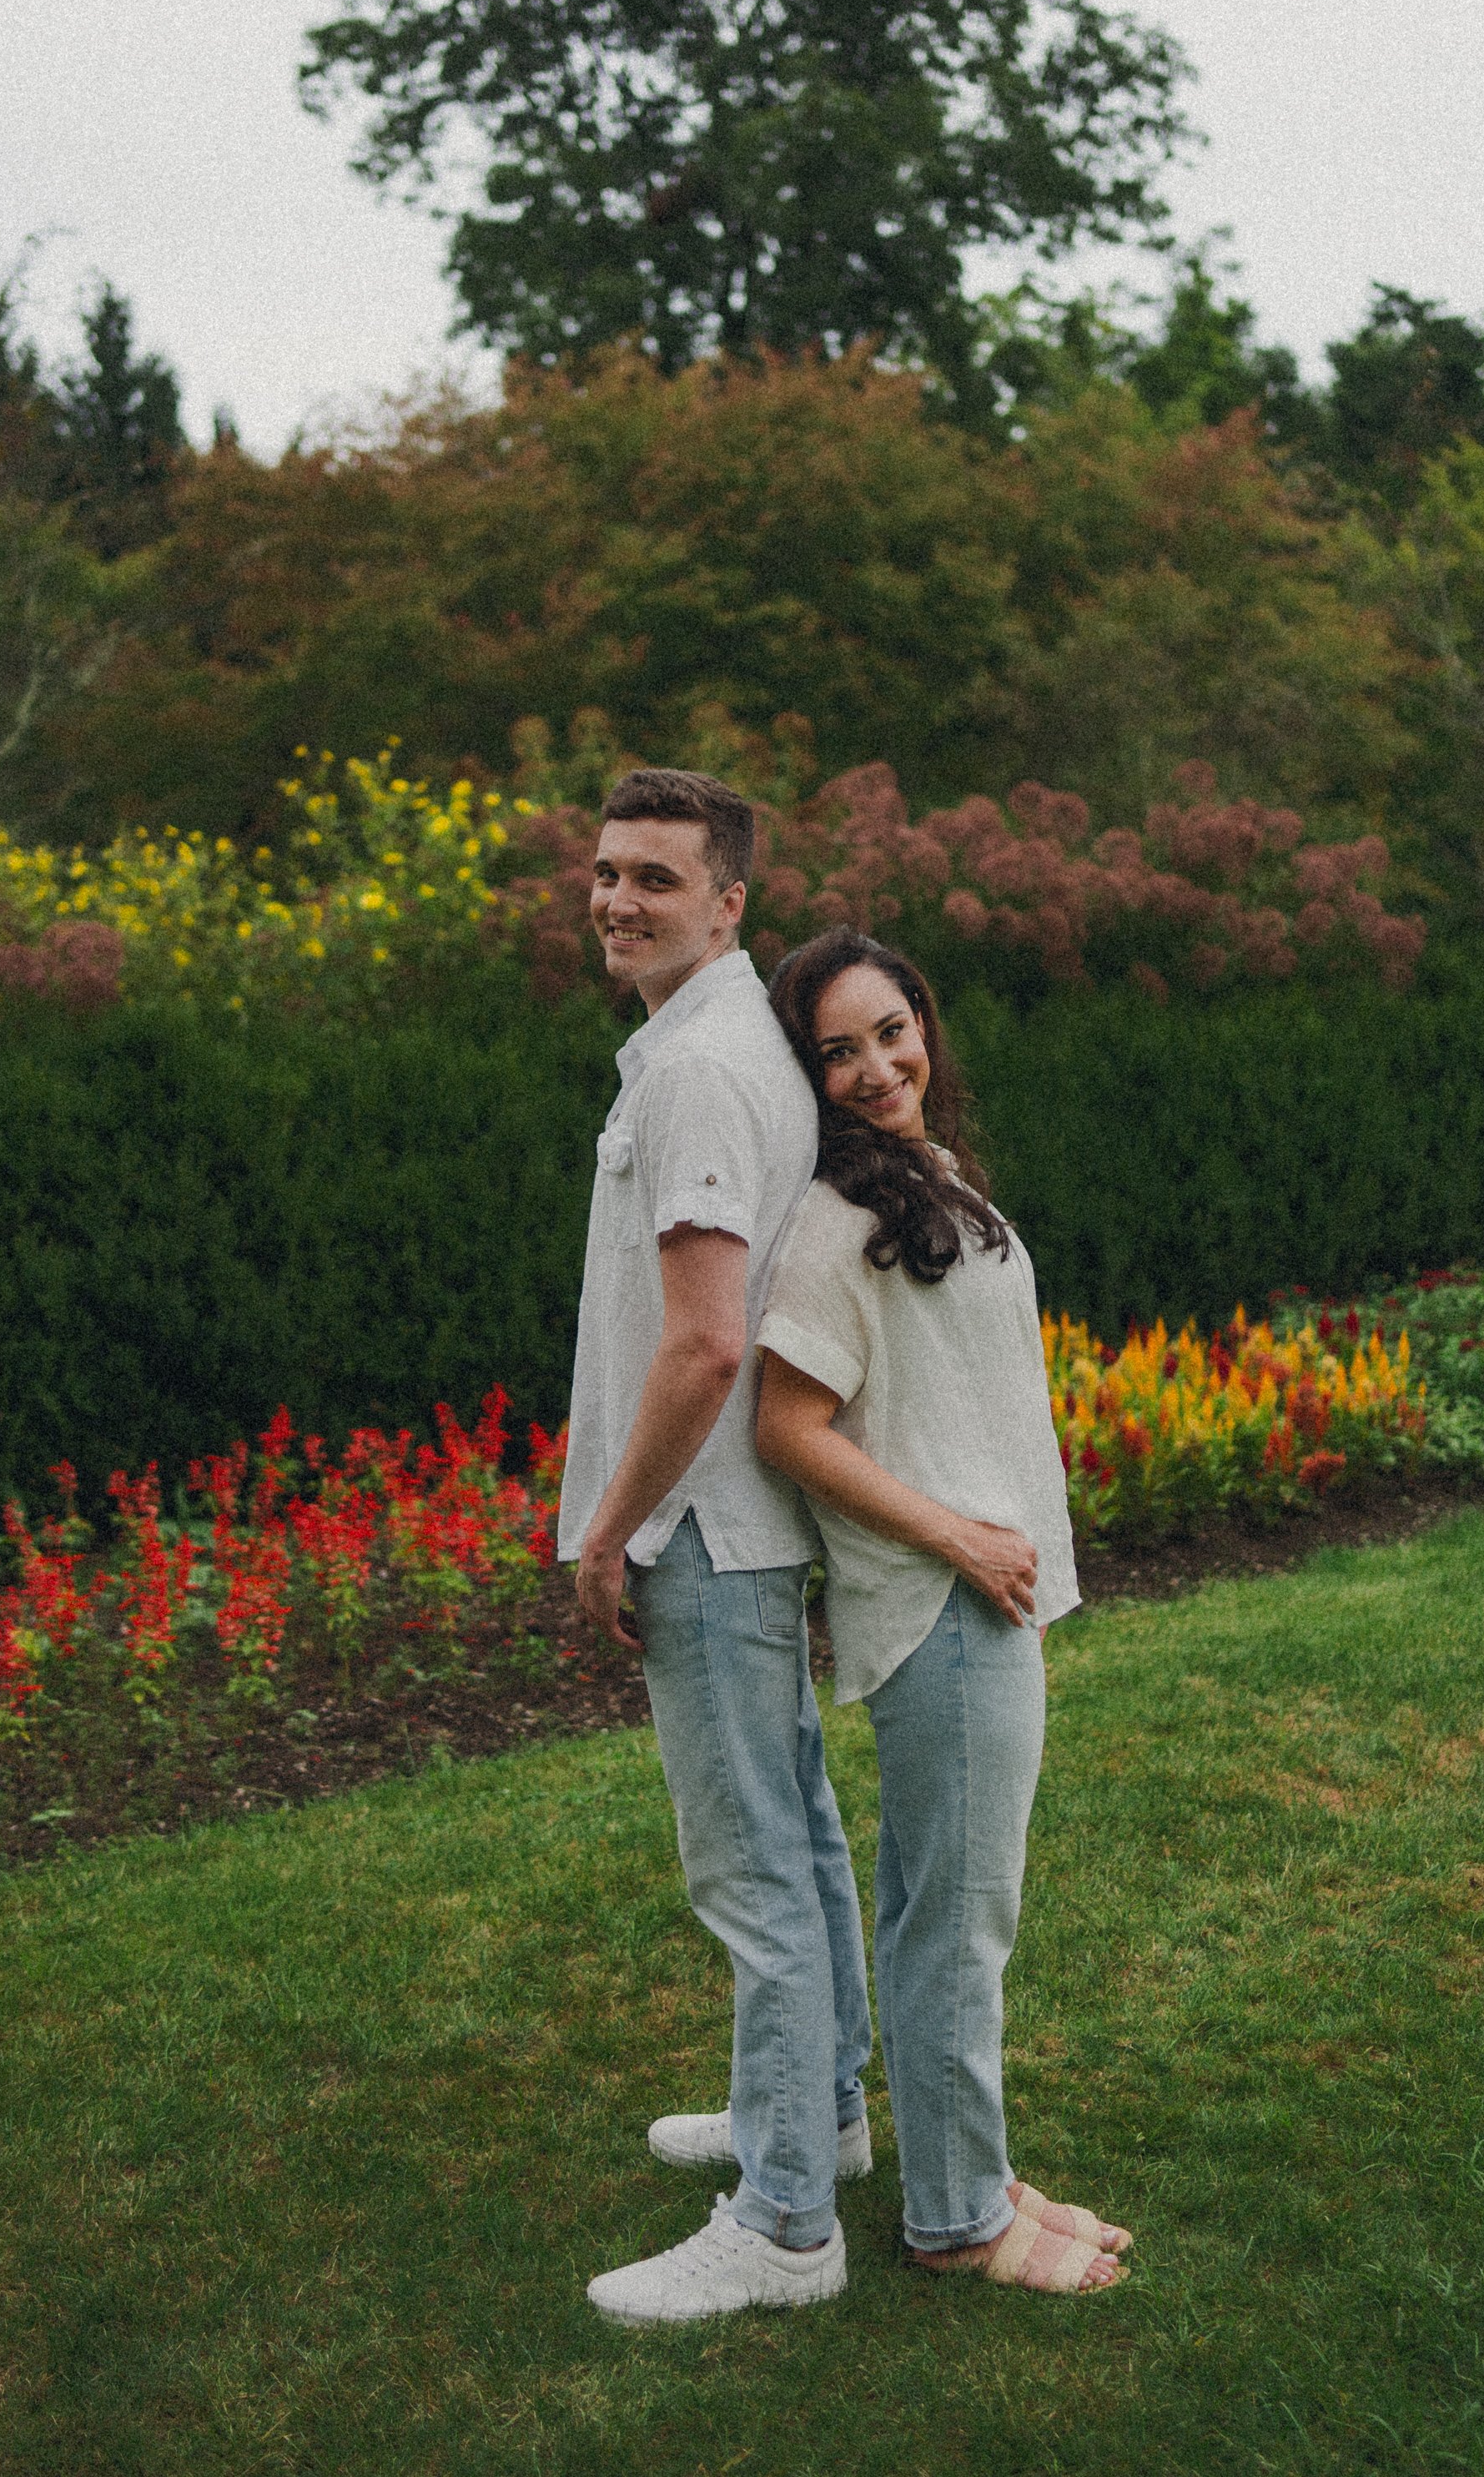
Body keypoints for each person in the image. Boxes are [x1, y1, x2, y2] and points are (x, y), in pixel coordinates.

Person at [754, 926, 1131, 2294]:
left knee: (941, 1909)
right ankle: (959, 2220)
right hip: (939, 1608)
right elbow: (787, 1426)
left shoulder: (933, 1178)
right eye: (836, 1052)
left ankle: (968, 2171)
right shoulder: (831, 1223)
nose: (874, 1067)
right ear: (803, 1076)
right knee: (959, 1920)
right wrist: (958, 1538)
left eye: (890, 1031)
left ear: (924, 1024)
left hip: (982, 1599)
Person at [561, 772, 873, 2328]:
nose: (617, 900)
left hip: (704, 1531)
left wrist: (608, 1529)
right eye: (607, 871)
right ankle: (816, 2119)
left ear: (730, 902)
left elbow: (701, 1346)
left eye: (656, 879)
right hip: (742, 1527)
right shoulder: (724, 1040)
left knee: (753, 1875)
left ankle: (785, 2229)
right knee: (795, 1842)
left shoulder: (696, 1069)